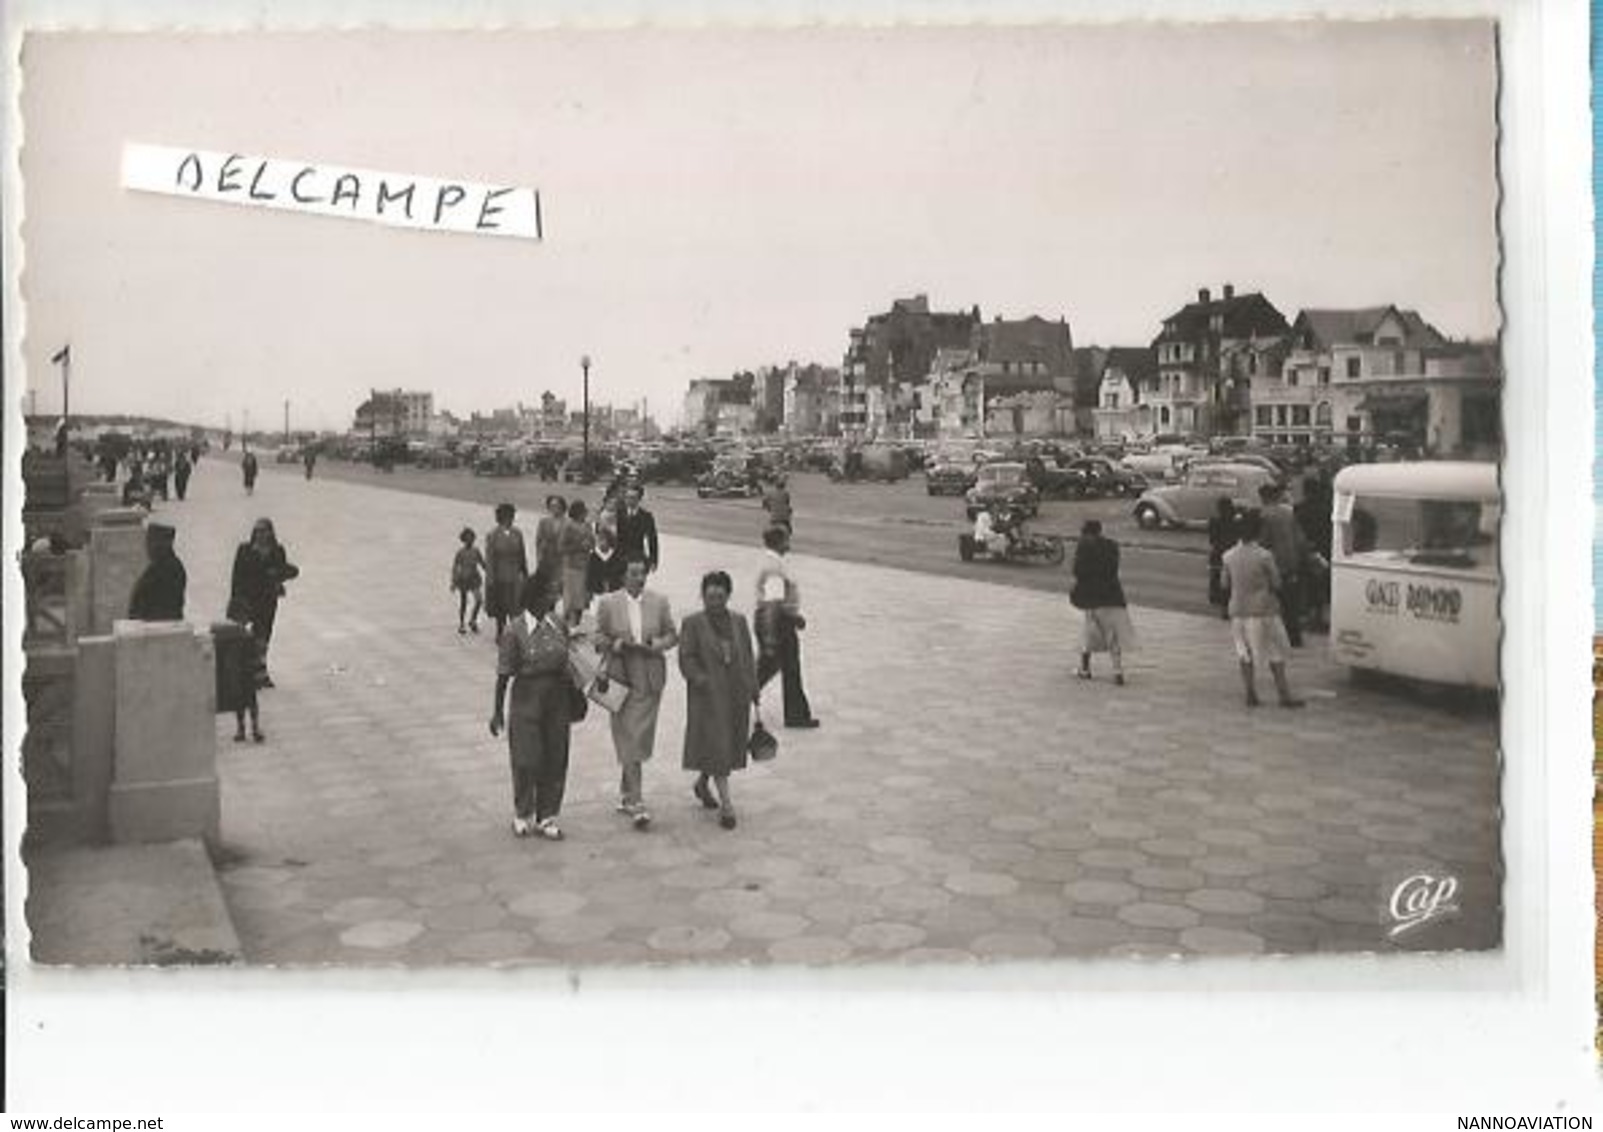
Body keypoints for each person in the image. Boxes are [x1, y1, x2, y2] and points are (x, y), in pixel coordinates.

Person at [490, 576, 578, 840]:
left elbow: (569, 659)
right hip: (526, 697)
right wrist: (496, 711)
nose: (555, 597)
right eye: (551, 592)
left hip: (557, 697)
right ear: (534, 597)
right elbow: (504, 674)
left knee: (556, 754)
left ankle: (547, 815)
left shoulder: (557, 623)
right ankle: (522, 812)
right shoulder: (513, 631)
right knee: (527, 757)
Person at [595, 556, 680, 830]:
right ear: (623, 576)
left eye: (642, 573)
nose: (640, 578)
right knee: (629, 735)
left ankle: (626, 793)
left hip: (650, 678)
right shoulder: (608, 603)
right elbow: (597, 638)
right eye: (634, 573)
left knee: (638, 737)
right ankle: (638, 801)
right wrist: (616, 643)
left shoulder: (659, 601)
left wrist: (656, 644)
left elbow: (672, 634)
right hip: (621, 678)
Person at [679, 570, 759, 831]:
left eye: (720, 596)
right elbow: (686, 658)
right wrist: (700, 679)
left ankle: (703, 782)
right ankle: (727, 806)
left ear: (728, 596)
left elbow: (747, 655)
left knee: (724, 746)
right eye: (710, 595)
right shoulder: (692, 623)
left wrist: (753, 687)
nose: (715, 601)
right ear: (702, 595)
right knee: (719, 743)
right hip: (707, 697)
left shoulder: (739, 621)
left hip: (735, 694)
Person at [1221, 509, 1305, 710]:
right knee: (1275, 652)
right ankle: (1284, 695)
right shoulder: (1264, 556)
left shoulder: (1228, 556)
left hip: (1238, 610)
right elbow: (1276, 583)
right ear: (1258, 532)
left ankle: (1250, 692)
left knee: (1244, 652)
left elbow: (1224, 584)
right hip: (1263, 610)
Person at [754, 525, 818, 729]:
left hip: (778, 620)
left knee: (775, 668)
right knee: (779, 669)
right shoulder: (774, 566)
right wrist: (771, 636)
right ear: (779, 542)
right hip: (776, 623)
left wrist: (794, 616)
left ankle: (796, 714)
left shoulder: (771, 561)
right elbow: (773, 603)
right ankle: (796, 715)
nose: (789, 544)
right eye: (786, 540)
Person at [228, 519, 299, 688]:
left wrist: (281, 574)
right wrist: (235, 598)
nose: (261, 534)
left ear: (271, 533)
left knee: (263, 636)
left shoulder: (276, 550)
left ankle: (260, 671)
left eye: (264, 531)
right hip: (247, 599)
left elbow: (284, 569)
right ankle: (247, 671)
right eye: (258, 531)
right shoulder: (244, 550)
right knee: (244, 636)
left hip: (267, 600)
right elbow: (236, 575)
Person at [1071, 519, 1135, 684]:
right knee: (1113, 636)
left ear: (1085, 532)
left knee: (1089, 633)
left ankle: (1085, 670)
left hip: (1092, 596)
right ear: (1100, 531)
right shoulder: (1112, 545)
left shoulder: (1084, 545)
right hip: (1113, 594)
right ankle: (1118, 671)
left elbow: (1078, 571)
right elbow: (1114, 568)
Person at [1258, 482, 1308, 647]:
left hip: (1274, 564)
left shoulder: (1264, 515)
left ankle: (1271, 637)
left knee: (1269, 603)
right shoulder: (1289, 513)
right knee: (1290, 604)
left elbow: (1263, 542)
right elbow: (1300, 538)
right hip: (1291, 563)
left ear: (1264, 497)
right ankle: (1295, 638)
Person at [1294, 473, 1334, 633]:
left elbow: (1297, 531)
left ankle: (1310, 616)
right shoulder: (1328, 508)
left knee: (1308, 583)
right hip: (1325, 550)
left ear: (1306, 491)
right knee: (1324, 584)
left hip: (1307, 551)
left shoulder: (1300, 509)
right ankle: (1321, 616)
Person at [483, 503, 529, 638]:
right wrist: (491, 579)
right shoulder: (493, 534)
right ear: (501, 517)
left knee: (515, 605)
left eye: (512, 515)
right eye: (507, 515)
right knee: (501, 605)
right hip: (500, 575)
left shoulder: (517, 533)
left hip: (515, 575)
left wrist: (525, 572)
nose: (510, 518)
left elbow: (522, 554)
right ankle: (500, 630)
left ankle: (514, 632)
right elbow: (490, 558)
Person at [223, 598, 265, 743]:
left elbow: (255, 655)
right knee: (245, 703)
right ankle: (249, 729)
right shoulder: (242, 636)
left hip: (244, 674)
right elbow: (257, 656)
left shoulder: (242, 636)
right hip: (244, 673)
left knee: (244, 702)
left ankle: (247, 729)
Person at [127, 523, 186, 621]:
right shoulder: (159, 567)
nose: (148, 548)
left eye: (151, 542)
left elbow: (166, 610)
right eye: (147, 542)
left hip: (158, 628)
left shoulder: (168, 569)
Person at [558, 499, 596, 625]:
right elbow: (561, 547)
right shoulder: (568, 526)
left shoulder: (587, 525)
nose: (585, 513)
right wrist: (579, 546)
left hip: (586, 566)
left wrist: (590, 544)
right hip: (572, 567)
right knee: (572, 598)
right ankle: (568, 623)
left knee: (582, 598)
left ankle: (576, 624)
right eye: (583, 511)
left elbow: (592, 542)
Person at [1206, 497, 1239, 620]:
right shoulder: (1235, 521)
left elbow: (1212, 539)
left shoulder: (1214, 521)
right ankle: (1228, 605)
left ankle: (1215, 597)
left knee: (1216, 576)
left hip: (1219, 552)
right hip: (1232, 551)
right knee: (1230, 580)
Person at [614, 486, 660, 574]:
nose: (629, 500)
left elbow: (652, 539)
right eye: (627, 497)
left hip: (637, 557)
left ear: (639, 499)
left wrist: (653, 560)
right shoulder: (618, 513)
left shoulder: (646, 516)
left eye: (633, 498)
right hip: (619, 556)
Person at [451, 527, 487, 634]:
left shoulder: (476, 551)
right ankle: (462, 624)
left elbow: (482, 563)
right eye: (467, 538)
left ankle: (472, 619)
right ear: (463, 540)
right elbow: (456, 567)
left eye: (471, 538)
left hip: (474, 578)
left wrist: (490, 572)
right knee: (464, 602)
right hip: (463, 579)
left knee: (479, 600)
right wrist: (454, 581)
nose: (470, 540)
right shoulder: (460, 553)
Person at [586, 524, 626, 598]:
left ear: (609, 541)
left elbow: (620, 574)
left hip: (614, 592)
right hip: (597, 593)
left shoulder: (615, 556)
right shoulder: (593, 557)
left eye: (603, 540)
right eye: (599, 540)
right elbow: (590, 577)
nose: (601, 543)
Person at [534, 494, 568, 577]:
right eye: (551, 506)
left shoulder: (568, 523)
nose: (554, 508)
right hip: (547, 560)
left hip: (562, 561)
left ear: (562, 506)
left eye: (556, 505)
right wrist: (539, 558)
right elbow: (538, 542)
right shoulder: (543, 522)